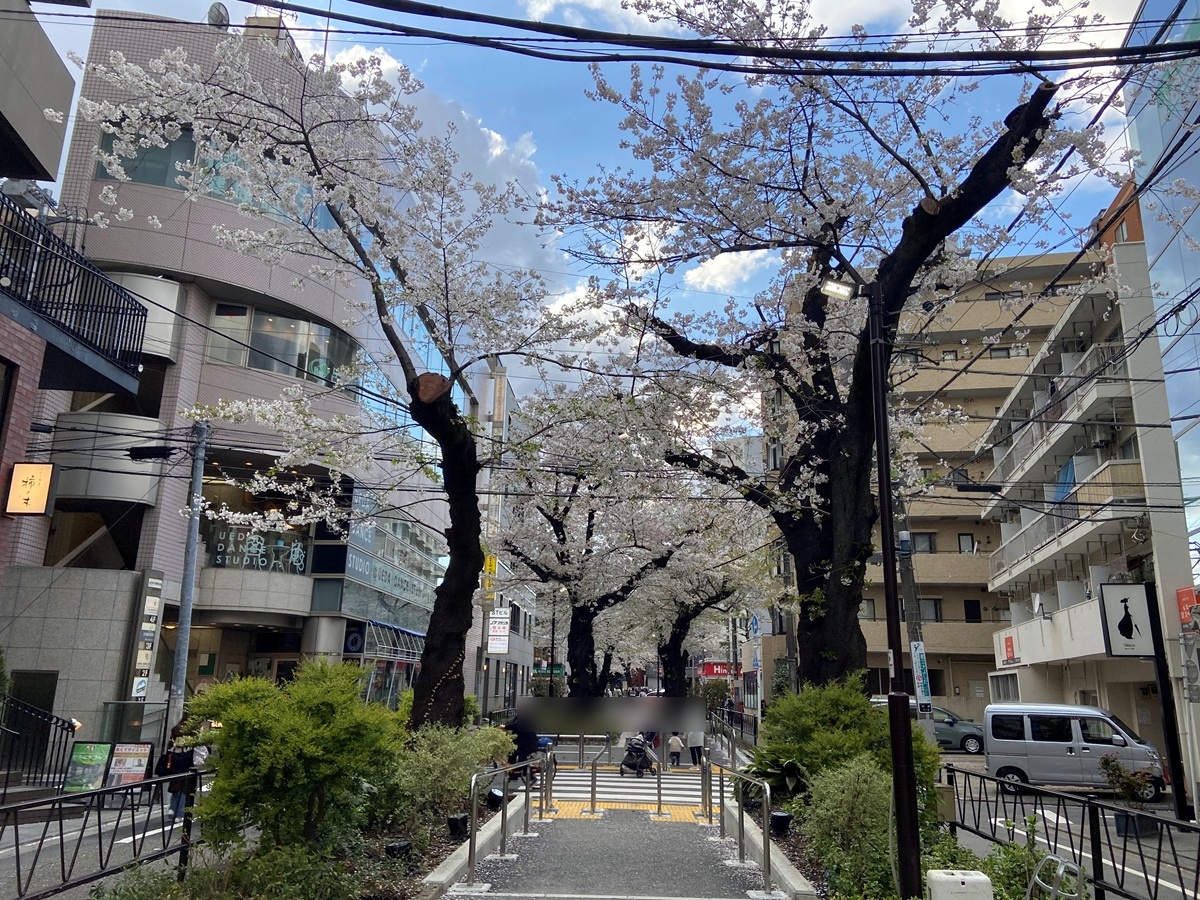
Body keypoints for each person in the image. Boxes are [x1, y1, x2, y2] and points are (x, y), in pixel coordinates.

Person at [156, 724, 195, 821]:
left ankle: (172, 809)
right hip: (186, 769)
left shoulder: (173, 743)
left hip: (174, 769)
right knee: (184, 792)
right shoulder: (188, 743)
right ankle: (180, 814)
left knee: (175, 790)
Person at [502, 701, 540, 784]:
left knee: (522, 757)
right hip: (521, 741)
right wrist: (504, 725)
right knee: (511, 752)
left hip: (528, 742)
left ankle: (531, 777)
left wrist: (506, 726)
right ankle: (513, 773)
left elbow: (517, 725)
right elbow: (513, 723)